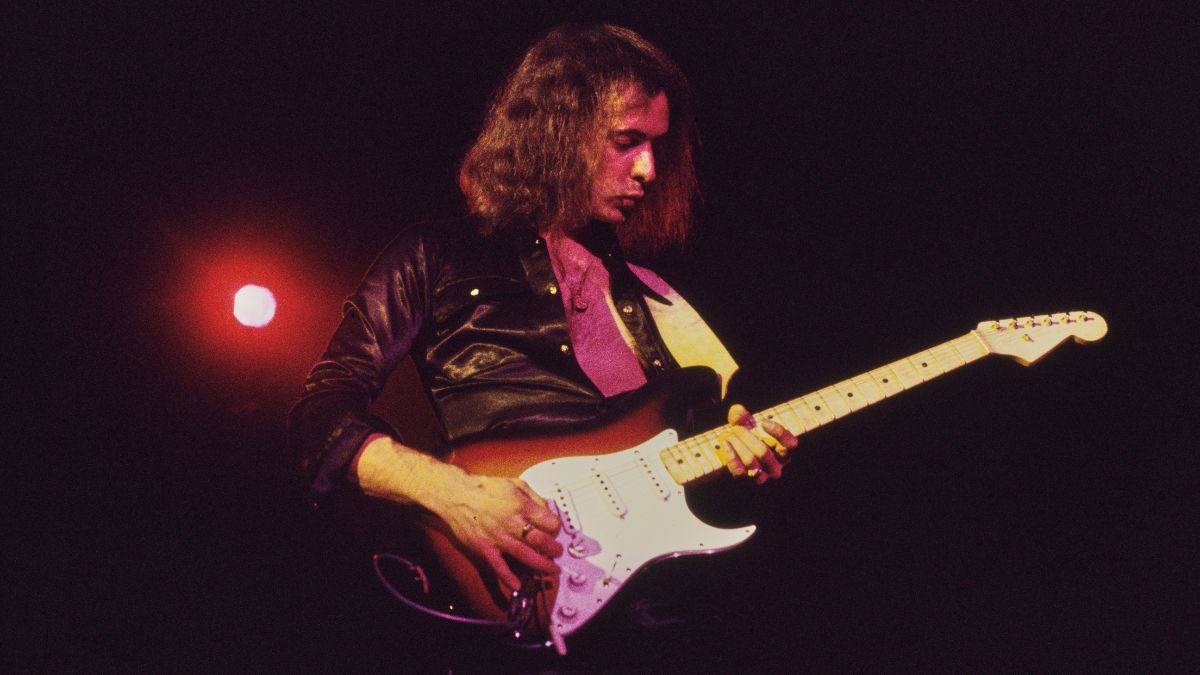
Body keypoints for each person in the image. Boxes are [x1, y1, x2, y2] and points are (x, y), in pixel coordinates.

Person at [288, 23, 798, 613]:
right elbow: (320, 416)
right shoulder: (433, 255)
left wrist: (744, 447)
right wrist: (452, 493)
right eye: (627, 140)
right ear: (560, 129)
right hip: (514, 579)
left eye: (656, 146)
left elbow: (727, 418)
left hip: (659, 604)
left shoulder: (655, 293)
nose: (648, 170)